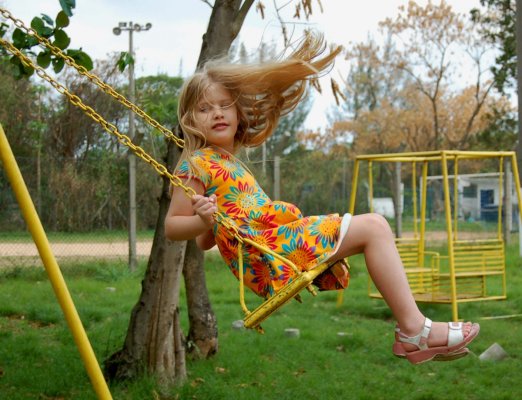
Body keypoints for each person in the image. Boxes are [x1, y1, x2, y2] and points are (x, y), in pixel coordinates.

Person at [164, 32, 479, 364]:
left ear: (238, 113)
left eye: (224, 105)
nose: (217, 113)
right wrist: (202, 219)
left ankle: (415, 331)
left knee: (373, 230)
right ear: (190, 120)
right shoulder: (195, 164)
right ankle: (415, 331)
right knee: (374, 227)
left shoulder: (227, 162)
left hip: (270, 246)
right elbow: (173, 227)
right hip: (269, 254)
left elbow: (204, 240)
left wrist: (209, 221)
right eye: (204, 108)